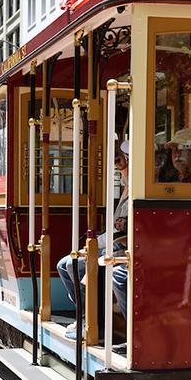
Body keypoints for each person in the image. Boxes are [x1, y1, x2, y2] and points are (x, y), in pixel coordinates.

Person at [58, 140, 129, 339]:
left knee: (74, 265)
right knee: (63, 265)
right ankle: (84, 314)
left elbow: (120, 231)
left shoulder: (136, 188)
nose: (119, 167)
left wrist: (94, 245)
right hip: (114, 244)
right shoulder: (127, 187)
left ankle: (91, 320)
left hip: (120, 248)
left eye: (122, 161)